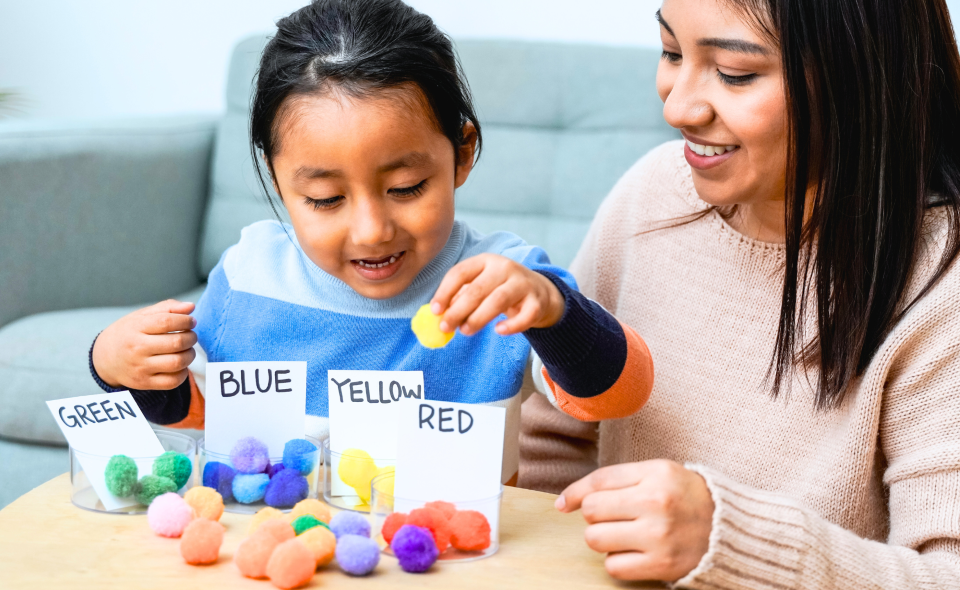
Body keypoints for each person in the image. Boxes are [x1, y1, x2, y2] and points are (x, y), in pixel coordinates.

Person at [87, 0, 654, 485]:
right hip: (284, 554)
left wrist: (552, 312)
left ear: (462, 153)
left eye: (406, 187)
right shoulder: (250, 275)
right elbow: (198, 410)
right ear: (279, 181)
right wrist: (116, 364)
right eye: (326, 199)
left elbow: (618, 396)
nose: (372, 230)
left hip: (448, 559)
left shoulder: (502, 284)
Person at [520, 0, 960, 585]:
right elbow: (551, 444)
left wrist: (732, 542)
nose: (677, 106)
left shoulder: (940, 281)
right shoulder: (652, 192)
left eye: (734, 74)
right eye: (671, 52)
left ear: (858, 76)